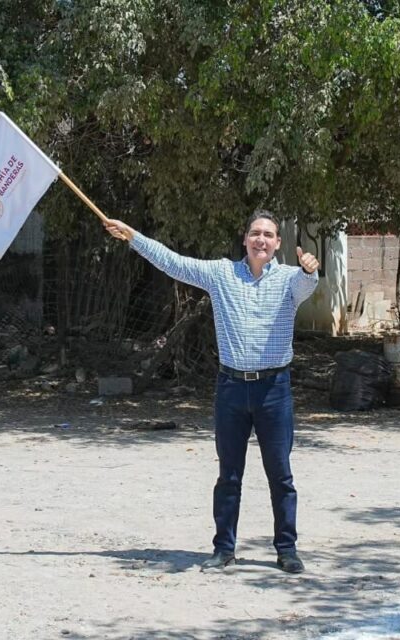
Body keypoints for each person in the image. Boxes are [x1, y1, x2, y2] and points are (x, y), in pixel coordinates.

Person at [103, 210, 319, 574]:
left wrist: (310, 269)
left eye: (268, 235)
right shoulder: (221, 274)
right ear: (245, 239)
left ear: (278, 243)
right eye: (255, 233)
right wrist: (133, 236)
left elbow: (306, 285)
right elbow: (175, 263)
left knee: (280, 474)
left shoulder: (289, 279)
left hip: (274, 390)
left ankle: (287, 549)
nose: (261, 240)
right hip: (231, 388)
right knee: (228, 474)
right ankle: (223, 549)